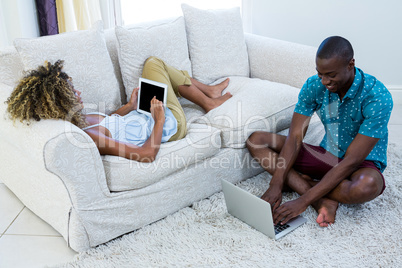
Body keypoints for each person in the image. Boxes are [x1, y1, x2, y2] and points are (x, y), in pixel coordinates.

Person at [246, 36, 393, 227]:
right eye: (320, 73)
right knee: (256, 140)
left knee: (366, 187)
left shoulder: (378, 97)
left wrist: (303, 201)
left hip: (362, 163)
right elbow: (295, 137)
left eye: (331, 75)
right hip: (327, 155)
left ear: (351, 64)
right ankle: (322, 200)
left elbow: (352, 161)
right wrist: (276, 184)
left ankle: (305, 186)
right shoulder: (314, 85)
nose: (324, 81)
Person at [6, 56, 232, 162]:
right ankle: (209, 100)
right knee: (154, 63)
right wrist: (159, 119)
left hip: (145, 113)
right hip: (171, 125)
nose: (79, 94)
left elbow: (111, 121)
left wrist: (129, 106)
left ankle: (209, 94)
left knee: (154, 67)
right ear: (60, 103)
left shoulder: (78, 121)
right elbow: (146, 155)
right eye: (72, 92)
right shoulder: (89, 137)